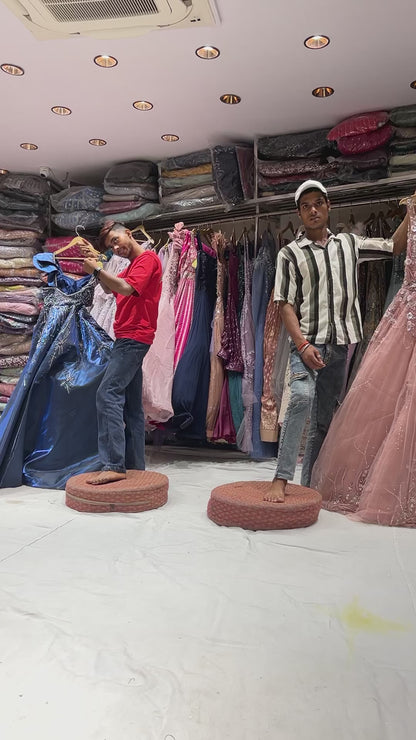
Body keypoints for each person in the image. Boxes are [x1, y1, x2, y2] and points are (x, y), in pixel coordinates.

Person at [265, 179, 409, 503]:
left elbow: (393, 247)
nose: (313, 210)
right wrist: (302, 345)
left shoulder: (349, 244)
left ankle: (309, 488)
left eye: (318, 203)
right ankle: (281, 478)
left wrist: (411, 214)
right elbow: (284, 303)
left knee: (323, 421)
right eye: (306, 206)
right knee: (300, 399)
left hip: (340, 346)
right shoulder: (290, 253)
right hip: (306, 345)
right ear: (299, 213)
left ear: (328, 206)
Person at [311, 196, 416, 527]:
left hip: (379, 323)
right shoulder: (300, 251)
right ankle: (307, 486)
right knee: (320, 413)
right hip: (318, 333)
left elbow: (391, 247)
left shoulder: (346, 244)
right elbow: (394, 246)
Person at [80, 220, 162, 485]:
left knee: (107, 394)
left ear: (128, 233)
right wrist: (98, 271)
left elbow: (126, 289)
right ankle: (136, 466)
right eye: (111, 247)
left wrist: (98, 271)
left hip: (134, 338)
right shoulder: (131, 266)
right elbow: (111, 289)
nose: (116, 248)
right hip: (128, 337)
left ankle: (114, 464)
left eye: (116, 241)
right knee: (132, 407)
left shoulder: (148, 259)